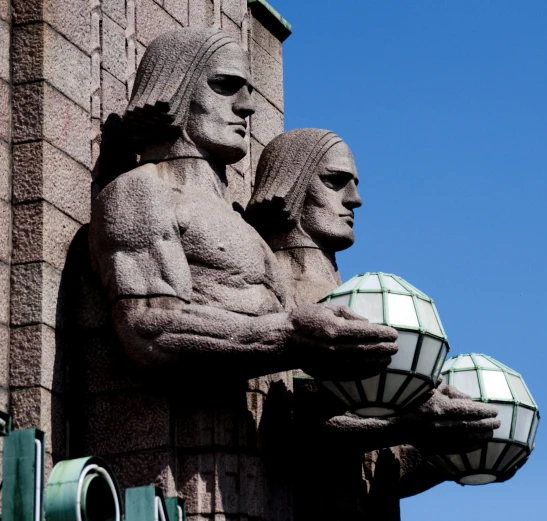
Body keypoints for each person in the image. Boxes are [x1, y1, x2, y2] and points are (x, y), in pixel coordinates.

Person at [87, 29, 397, 520]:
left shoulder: (243, 229)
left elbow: (290, 394)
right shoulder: (142, 192)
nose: (247, 107)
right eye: (226, 86)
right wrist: (292, 332)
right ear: (176, 87)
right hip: (187, 467)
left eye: (249, 91)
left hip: (264, 471)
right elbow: (149, 328)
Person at [246, 128, 502, 520]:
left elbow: (380, 466)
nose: (354, 199)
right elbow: (282, 426)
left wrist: (452, 449)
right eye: (335, 181)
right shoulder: (268, 284)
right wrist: (409, 422)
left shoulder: (363, 299)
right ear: (290, 181)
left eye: (354, 185)